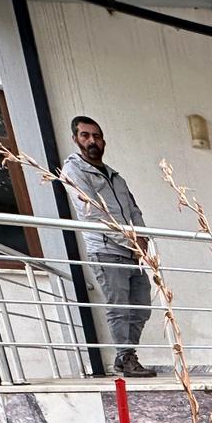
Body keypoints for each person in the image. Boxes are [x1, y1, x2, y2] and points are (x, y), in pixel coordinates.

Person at [61, 116, 156, 378]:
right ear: (76, 139)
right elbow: (93, 213)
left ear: (103, 141)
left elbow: (133, 210)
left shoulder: (116, 177)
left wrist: (142, 239)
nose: (92, 141)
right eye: (85, 135)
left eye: (97, 136)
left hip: (132, 252)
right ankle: (127, 358)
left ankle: (123, 356)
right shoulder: (74, 171)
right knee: (119, 306)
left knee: (141, 306)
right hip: (106, 250)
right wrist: (130, 241)